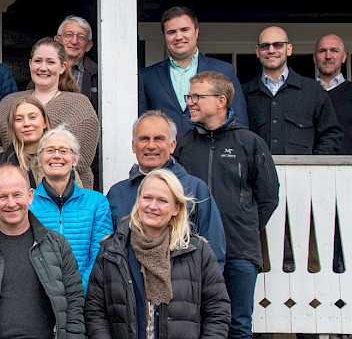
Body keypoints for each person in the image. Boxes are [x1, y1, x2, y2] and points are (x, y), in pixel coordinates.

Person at [172, 71, 279, 339]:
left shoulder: (250, 142)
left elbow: (268, 196)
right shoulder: (184, 143)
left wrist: (243, 225)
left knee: (238, 325)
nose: (190, 102)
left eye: (197, 96)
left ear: (221, 101)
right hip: (189, 249)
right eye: (189, 96)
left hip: (239, 251)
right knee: (193, 324)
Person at [86, 169, 232, 339]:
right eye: (147, 198)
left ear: (176, 208)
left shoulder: (197, 252)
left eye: (162, 200)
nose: (152, 206)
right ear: (138, 201)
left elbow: (217, 311)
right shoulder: (113, 251)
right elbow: (95, 311)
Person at [0, 164, 85, 339]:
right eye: (3, 197)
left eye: (17, 195)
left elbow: (74, 305)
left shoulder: (57, 246)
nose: (11, 203)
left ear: (30, 196)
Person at [105, 111, 226, 268]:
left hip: (183, 289)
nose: (151, 145)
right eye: (144, 139)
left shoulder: (195, 190)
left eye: (159, 139)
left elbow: (214, 252)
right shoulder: (117, 193)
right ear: (134, 146)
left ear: (172, 145)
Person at [0, 38, 100, 188]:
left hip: (65, 195)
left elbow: (80, 159)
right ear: (30, 64)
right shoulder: (8, 103)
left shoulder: (79, 105)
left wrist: (37, 167)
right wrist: (17, 169)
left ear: (62, 67)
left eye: (51, 62)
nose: (43, 67)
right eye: (38, 61)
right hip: (11, 191)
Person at [138, 6, 248, 135]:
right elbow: (142, 125)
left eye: (184, 30)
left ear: (196, 32)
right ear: (165, 36)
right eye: (171, 32)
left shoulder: (223, 70)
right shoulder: (147, 77)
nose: (178, 37)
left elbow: (239, 121)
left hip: (211, 151)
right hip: (167, 153)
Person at [28, 126, 112, 287]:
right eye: (50, 150)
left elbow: (99, 255)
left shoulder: (97, 203)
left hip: (85, 299)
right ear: (39, 158)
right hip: (40, 300)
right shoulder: (27, 204)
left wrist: (79, 292)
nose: (56, 155)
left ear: (75, 159)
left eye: (64, 151)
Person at [242, 26, 342, 155]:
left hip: (304, 174)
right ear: (257, 51)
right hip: (257, 174)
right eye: (265, 46)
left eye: (278, 45)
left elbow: (331, 134)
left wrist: (316, 165)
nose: (271, 50)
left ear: (289, 49)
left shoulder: (312, 90)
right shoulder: (244, 93)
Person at [0, 96, 53, 186]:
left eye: (32, 117)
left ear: (45, 122)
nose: (26, 123)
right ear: (13, 126)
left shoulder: (62, 160)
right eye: (19, 119)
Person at [53, 15, 99, 110]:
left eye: (81, 37)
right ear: (58, 41)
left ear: (88, 46)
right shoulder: (44, 70)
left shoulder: (98, 76)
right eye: (68, 35)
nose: (74, 41)